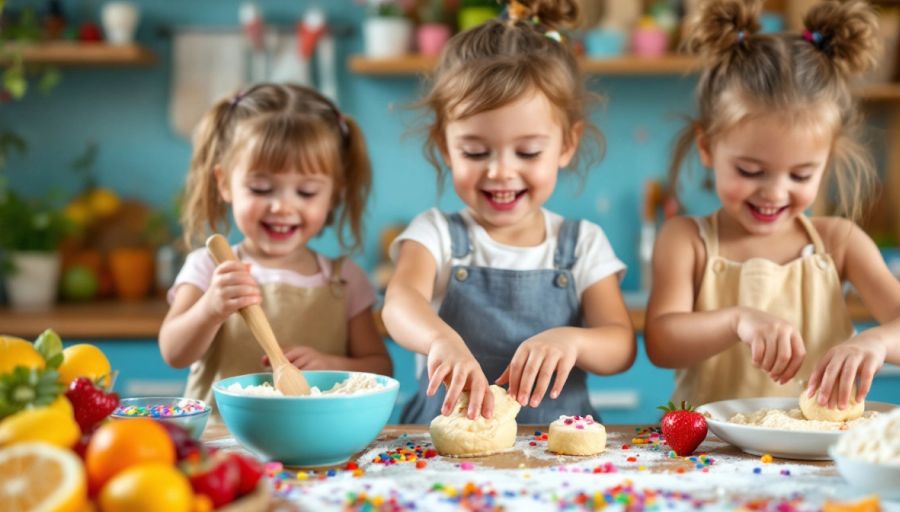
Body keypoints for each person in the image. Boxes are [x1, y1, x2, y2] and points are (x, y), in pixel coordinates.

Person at [644, 0, 900, 411]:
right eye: (750, 170)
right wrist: (737, 319)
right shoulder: (686, 240)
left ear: (827, 162)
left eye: (800, 176)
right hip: (709, 451)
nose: (774, 193)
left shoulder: (839, 241)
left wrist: (876, 341)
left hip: (819, 451)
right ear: (707, 147)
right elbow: (661, 343)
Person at [382, 0, 636, 424]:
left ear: (567, 145)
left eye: (528, 151)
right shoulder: (435, 233)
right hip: (442, 450)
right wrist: (439, 339)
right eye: (476, 151)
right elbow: (398, 304)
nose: (500, 171)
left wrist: (570, 341)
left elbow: (620, 344)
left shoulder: (583, 243)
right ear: (445, 145)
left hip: (555, 451)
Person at [159, 83, 392, 409]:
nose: (281, 207)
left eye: (307, 192)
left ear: (335, 194)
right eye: (261, 188)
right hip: (219, 443)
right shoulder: (209, 268)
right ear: (225, 183)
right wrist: (211, 308)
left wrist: (331, 366)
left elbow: (381, 368)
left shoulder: (346, 279)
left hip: (315, 445)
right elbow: (173, 352)